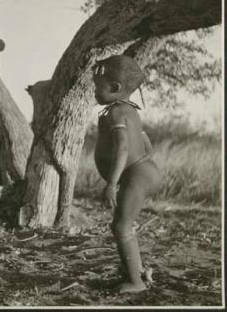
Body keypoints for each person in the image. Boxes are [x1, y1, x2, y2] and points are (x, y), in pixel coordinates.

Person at [93, 55, 162, 293]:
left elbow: (122, 147)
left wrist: (113, 183)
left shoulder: (115, 113)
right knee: (121, 226)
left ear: (114, 88)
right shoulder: (131, 111)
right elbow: (145, 143)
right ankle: (136, 273)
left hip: (137, 174)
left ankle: (136, 282)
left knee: (122, 227)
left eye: (97, 86)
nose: (94, 90)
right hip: (143, 171)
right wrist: (143, 166)